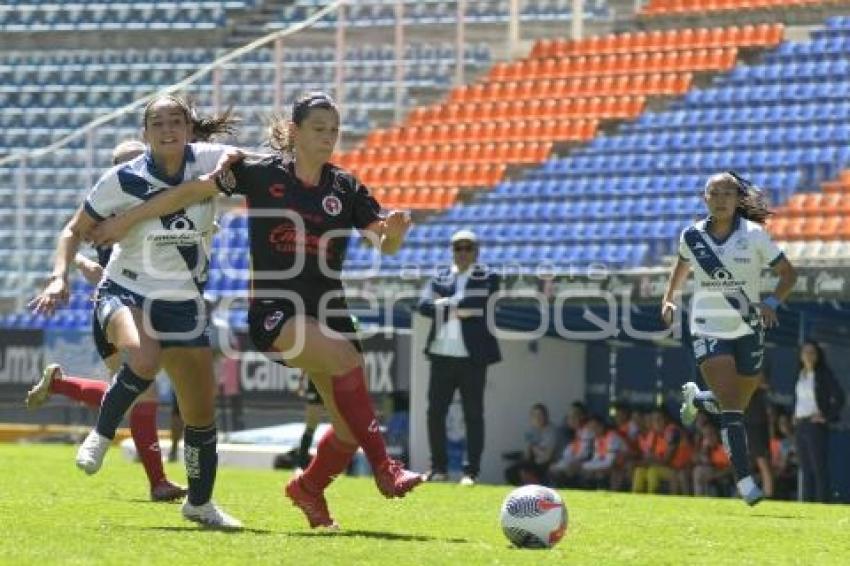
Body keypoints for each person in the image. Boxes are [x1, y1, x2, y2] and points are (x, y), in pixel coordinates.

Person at [88, 91, 424, 530]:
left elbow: (383, 240)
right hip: (275, 312)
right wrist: (125, 221)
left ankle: (309, 488)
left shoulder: (346, 186)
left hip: (328, 309)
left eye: (334, 131)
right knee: (344, 359)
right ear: (295, 132)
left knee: (346, 432)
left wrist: (393, 232)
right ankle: (387, 468)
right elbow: (191, 191)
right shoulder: (262, 173)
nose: (328, 138)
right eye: (319, 129)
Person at [29, 95, 246, 529]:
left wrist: (237, 159)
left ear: (188, 127)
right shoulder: (119, 180)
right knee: (143, 357)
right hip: (124, 288)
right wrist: (59, 276)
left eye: (175, 121)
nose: (167, 130)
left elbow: (241, 162)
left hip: (183, 302)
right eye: (157, 123)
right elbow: (73, 229)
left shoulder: (204, 158)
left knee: (201, 414)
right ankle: (102, 434)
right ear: (145, 134)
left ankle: (199, 504)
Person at [25, 139, 187, 502]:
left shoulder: (158, 203)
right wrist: (75, 270)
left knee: (130, 392)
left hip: (146, 304)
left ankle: (61, 385)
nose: (135, 169)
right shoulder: (106, 204)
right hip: (115, 307)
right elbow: (72, 237)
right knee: (144, 389)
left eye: (138, 161)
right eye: (125, 163)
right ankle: (158, 482)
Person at [665, 171, 797, 506]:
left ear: (738, 199)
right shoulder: (692, 236)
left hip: (748, 325)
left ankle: (697, 400)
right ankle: (744, 480)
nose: (721, 198)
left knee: (737, 399)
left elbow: (788, 274)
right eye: (714, 192)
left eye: (728, 192)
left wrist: (771, 303)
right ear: (704, 198)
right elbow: (681, 264)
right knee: (732, 407)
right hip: (708, 325)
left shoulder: (754, 236)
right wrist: (670, 297)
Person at [417, 229, 502, 486]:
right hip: (441, 355)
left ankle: (470, 472)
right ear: (452, 250)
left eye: (468, 247)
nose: (463, 252)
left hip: (472, 358)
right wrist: (453, 307)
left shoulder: (489, 276)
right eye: (458, 247)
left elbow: (478, 306)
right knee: (435, 413)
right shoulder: (439, 276)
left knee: (473, 414)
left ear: (477, 251)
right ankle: (438, 468)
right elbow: (422, 305)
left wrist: (443, 304)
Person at [793, 340, 845, 502]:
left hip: (814, 425)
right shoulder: (800, 374)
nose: (808, 355)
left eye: (812, 352)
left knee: (818, 468)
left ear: (817, 356)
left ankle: (823, 502)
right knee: (805, 467)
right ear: (801, 355)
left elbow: (839, 396)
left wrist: (826, 415)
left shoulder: (823, 373)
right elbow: (799, 399)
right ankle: (807, 504)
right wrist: (793, 414)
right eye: (805, 352)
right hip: (800, 424)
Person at [504, 403, 557, 486]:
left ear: (545, 416)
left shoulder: (551, 431)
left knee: (523, 470)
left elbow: (547, 457)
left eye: (540, 415)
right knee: (510, 471)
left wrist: (534, 449)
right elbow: (528, 454)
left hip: (547, 463)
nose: (537, 418)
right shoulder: (532, 431)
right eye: (534, 415)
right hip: (534, 461)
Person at [744, 374, 773, 497]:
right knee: (752, 460)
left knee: (762, 460)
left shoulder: (761, 391)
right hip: (749, 423)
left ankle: (768, 493)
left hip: (757, 424)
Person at [692, 422, 732, 497]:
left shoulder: (725, 446)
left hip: (726, 475)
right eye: (706, 436)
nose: (709, 438)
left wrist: (714, 476)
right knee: (698, 470)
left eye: (711, 434)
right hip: (713, 474)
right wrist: (704, 450)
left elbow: (732, 468)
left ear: (717, 434)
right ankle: (699, 500)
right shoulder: (706, 448)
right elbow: (695, 460)